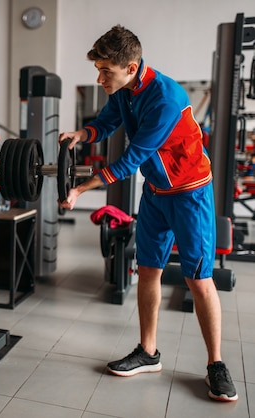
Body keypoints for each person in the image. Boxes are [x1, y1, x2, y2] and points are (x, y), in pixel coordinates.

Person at [58, 25, 238, 402]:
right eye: (99, 69)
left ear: (131, 66)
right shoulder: (124, 90)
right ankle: (148, 351)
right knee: (148, 272)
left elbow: (131, 159)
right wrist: (82, 135)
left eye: (106, 70)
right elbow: (107, 123)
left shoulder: (166, 98)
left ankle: (216, 364)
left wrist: (78, 189)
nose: (100, 77)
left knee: (199, 279)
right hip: (156, 193)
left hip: (190, 194)